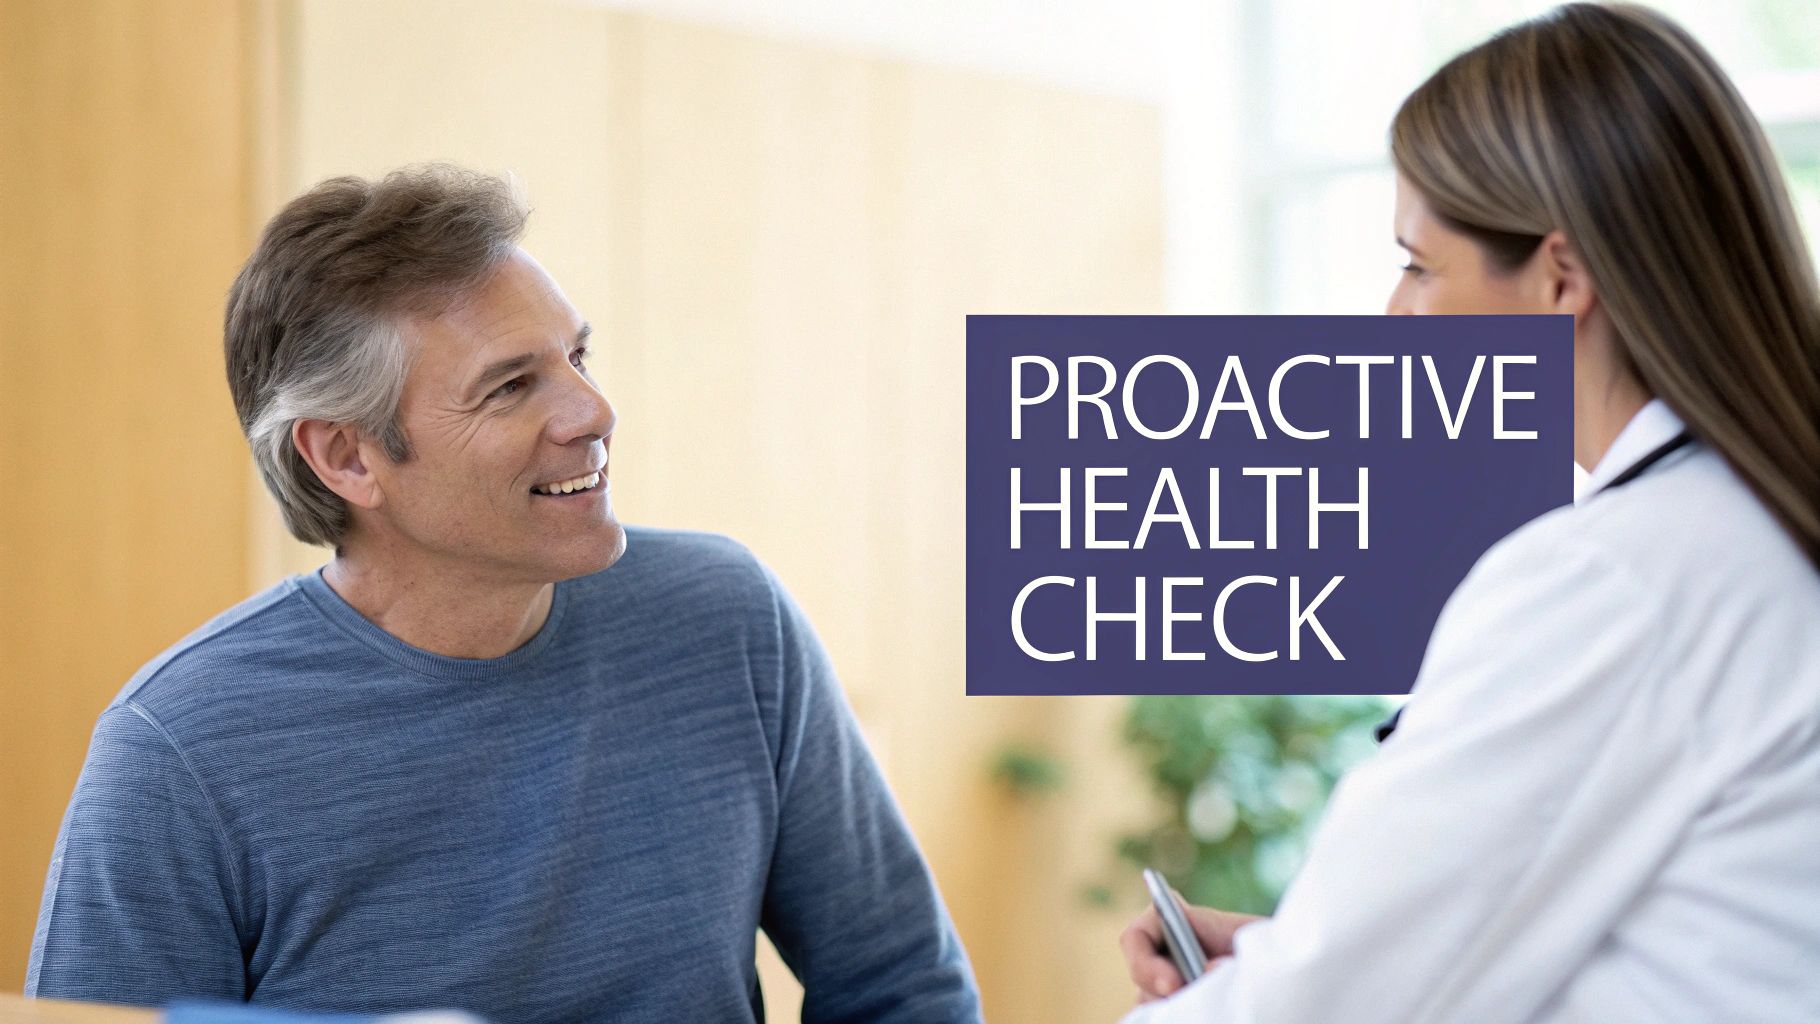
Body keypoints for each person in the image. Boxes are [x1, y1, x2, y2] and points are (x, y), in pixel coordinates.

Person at [27, 165, 981, 1024]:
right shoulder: (182, 748)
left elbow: (901, 988)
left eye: (578, 356)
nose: (591, 411)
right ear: (347, 455)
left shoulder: (727, 618)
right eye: (512, 385)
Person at [1119, 4, 1820, 1021]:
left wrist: (1278, 979)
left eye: (1417, 265)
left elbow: (1331, 1009)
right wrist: (1291, 950)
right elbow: (1676, 932)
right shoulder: (1748, 528)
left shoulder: (1611, 579)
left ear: (1559, 276)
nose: (1393, 313)